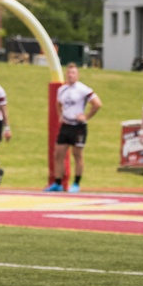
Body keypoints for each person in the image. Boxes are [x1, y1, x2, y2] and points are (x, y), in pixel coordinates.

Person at [47, 64, 102, 193]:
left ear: (77, 75)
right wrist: (61, 116)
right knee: (58, 153)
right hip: (66, 125)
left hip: (78, 127)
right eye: (69, 73)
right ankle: (58, 182)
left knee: (77, 154)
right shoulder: (62, 89)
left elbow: (97, 104)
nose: (70, 75)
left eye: (73, 73)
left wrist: (86, 116)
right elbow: (58, 104)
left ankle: (76, 183)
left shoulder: (83, 89)